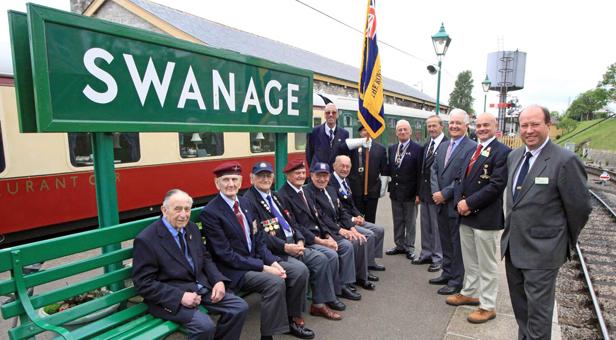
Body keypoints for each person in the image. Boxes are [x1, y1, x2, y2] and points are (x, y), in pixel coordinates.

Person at [502, 105, 591, 340]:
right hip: (514, 248)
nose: (529, 130)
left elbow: (580, 208)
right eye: (524, 125)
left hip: (543, 253)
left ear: (548, 126)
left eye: (535, 124)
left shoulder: (565, 160)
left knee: (539, 319)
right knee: (522, 313)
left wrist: (560, 242)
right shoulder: (515, 156)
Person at [199, 162, 314, 340]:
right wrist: (264, 267)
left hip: (254, 260)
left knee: (299, 271)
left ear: (241, 181)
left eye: (234, 179)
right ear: (217, 183)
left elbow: (259, 240)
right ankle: (267, 336)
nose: (231, 184)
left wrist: (274, 262)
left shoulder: (245, 203)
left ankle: (290, 321)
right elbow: (225, 255)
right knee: (274, 282)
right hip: (234, 270)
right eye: (226, 180)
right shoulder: (211, 212)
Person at [132, 189, 249, 340]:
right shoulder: (147, 239)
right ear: (164, 210)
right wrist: (180, 296)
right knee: (205, 327)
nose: (183, 215)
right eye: (177, 209)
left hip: (200, 287)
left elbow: (205, 257)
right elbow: (143, 283)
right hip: (172, 296)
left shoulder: (191, 228)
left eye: (187, 209)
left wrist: (218, 280)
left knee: (239, 307)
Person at [243, 161, 343, 321]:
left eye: (268, 176)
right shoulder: (249, 201)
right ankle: (293, 316)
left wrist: (300, 240)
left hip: (294, 243)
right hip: (275, 251)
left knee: (322, 258)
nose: (265, 179)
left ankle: (319, 304)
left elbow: (292, 223)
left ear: (273, 178)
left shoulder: (274, 196)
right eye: (260, 176)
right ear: (251, 178)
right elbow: (259, 235)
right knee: (300, 270)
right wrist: (286, 247)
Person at [447, 113, 512, 323]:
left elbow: (496, 186)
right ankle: (470, 292)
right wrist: (459, 203)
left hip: (485, 217)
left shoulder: (503, 152)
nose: (482, 128)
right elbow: (459, 178)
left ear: (496, 127)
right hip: (465, 214)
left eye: (486, 125)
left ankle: (488, 305)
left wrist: (469, 204)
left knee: (487, 264)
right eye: (479, 125)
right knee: (470, 260)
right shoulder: (474, 149)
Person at [277, 159, 362, 302]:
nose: (301, 176)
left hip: (321, 234)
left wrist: (329, 235)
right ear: (288, 175)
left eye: (303, 173)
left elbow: (319, 217)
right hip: (307, 239)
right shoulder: (283, 196)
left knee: (346, 245)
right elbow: (295, 225)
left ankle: (343, 285)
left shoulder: (305, 192)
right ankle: (332, 295)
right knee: (331, 254)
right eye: (297, 173)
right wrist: (320, 241)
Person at [306, 162, 376, 290]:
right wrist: (341, 230)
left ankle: (361, 276)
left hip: (339, 225)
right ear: (311, 176)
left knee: (360, 237)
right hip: (326, 229)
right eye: (318, 176)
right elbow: (321, 217)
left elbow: (342, 210)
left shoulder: (331, 189)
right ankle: (345, 284)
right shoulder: (308, 192)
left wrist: (352, 228)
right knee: (352, 242)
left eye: (325, 176)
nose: (322, 179)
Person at [430, 109, 477, 295]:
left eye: (459, 123)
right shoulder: (442, 146)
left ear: (466, 126)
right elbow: (434, 170)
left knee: (457, 244)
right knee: (445, 241)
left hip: (455, 203)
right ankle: (447, 273)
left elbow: (463, 176)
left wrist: (445, 193)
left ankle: (457, 280)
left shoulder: (471, 147)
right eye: (452, 123)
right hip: (440, 202)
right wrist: (436, 192)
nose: (455, 126)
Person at [330, 155, 386, 273]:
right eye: (342, 166)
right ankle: (364, 268)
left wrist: (359, 215)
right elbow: (338, 208)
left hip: (352, 218)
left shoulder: (346, 180)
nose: (345, 169)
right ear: (334, 166)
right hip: (343, 221)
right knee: (369, 235)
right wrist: (352, 219)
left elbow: (351, 204)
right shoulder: (330, 183)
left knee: (379, 230)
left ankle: (370, 261)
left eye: (348, 166)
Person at [384, 119, 423, 260]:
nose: (402, 132)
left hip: (411, 192)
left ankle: (409, 247)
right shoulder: (392, 148)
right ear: (396, 133)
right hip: (395, 191)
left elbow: (420, 173)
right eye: (399, 130)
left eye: (405, 129)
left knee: (410, 222)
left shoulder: (418, 149)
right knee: (398, 219)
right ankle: (399, 245)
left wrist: (419, 194)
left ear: (410, 131)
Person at [414, 115, 448, 272]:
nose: (432, 129)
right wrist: (419, 193)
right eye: (429, 126)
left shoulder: (447, 144)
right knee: (425, 225)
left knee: (436, 227)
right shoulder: (427, 145)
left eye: (434, 126)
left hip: (438, 193)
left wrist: (442, 193)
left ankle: (438, 257)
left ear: (441, 126)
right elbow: (422, 172)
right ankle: (426, 253)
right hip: (425, 193)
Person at [347, 124, 388, 224]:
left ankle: (370, 238)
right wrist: (360, 142)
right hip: (356, 189)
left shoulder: (380, 148)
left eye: (369, 130)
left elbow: (384, 170)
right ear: (360, 132)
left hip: (373, 189)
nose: (367, 132)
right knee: (357, 218)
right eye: (364, 130)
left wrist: (383, 188)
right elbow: (343, 147)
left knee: (370, 219)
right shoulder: (353, 147)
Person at [306, 103, 349, 170]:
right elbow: (309, 155)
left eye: (333, 113)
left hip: (335, 173)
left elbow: (345, 154)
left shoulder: (344, 133)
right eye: (328, 113)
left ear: (337, 115)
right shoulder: (314, 132)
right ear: (324, 115)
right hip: (319, 173)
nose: (331, 115)